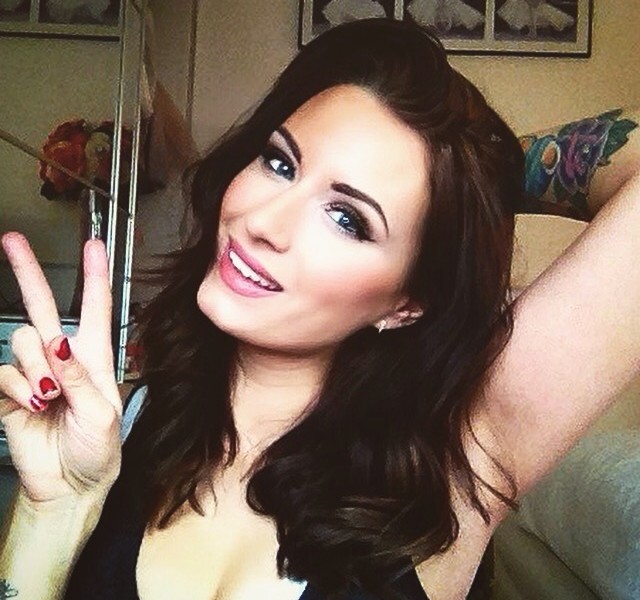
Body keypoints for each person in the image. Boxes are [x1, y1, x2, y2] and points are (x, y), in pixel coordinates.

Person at [0, 17, 639, 600]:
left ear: (408, 303)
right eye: (280, 163)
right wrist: (52, 509)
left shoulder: (456, 472)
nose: (263, 222)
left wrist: (476, 179)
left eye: (347, 218)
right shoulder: (123, 429)